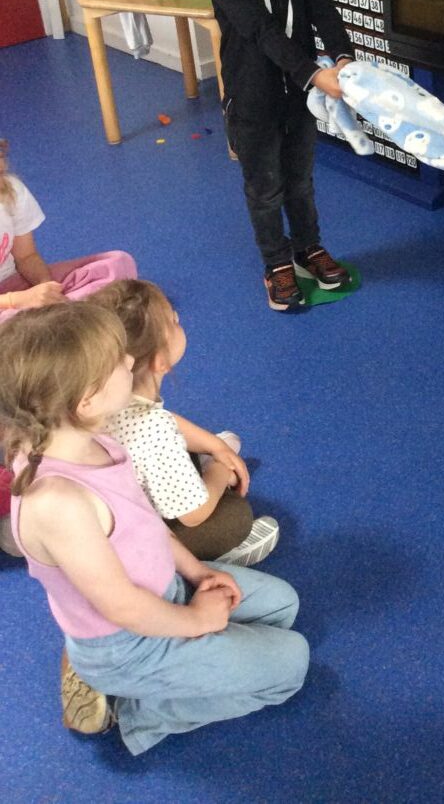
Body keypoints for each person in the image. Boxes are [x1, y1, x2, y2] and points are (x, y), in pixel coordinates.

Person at [0, 304, 309, 753]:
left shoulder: (93, 435)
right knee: (292, 664)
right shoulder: (57, 504)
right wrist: (196, 620)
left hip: (165, 590)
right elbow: (123, 606)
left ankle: (151, 670)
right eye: (118, 361)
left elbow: (145, 522)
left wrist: (197, 572)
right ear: (85, 400)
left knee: (283, 606)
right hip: (128, 645)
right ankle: (137, 714)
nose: (131, 359)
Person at [207, 0, 356, 311]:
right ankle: (276, 262)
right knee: (265, 189)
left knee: (300, 181)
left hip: (300, 99)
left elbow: (322, 8)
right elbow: (262, 32)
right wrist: (314, 73)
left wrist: (343, 57)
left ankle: (308, 248)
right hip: (253, 102)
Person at [88, 279, 279, 565]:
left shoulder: (99, 390)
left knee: (197, 447)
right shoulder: (153, 429)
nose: (179, 319)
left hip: (101, 509)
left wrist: (214, 445)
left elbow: (166, 421)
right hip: (128, 539)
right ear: (159, 362)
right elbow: (193, 515)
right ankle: (209, 561)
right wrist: (219, 470)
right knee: (234, 518)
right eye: (174, 321)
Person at [0, 138, 137, 324]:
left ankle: (54, 323)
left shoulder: (11, 191)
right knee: (12, 323)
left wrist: (46, 286)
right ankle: (62, 323)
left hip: (14, 284)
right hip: (10, 302)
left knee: (117, 263)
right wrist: (16, 301)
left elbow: (26, 257)